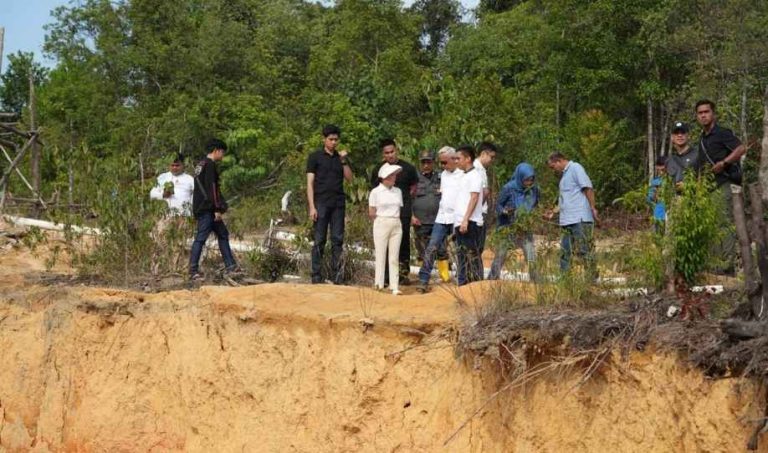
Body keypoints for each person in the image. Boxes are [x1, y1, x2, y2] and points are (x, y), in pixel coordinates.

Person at [695, 99, 747, 274]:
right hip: (709, 188)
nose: (703, 115)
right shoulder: (701, 139)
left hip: (724, 183)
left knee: (724, 224)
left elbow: (741, 148)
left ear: (713, 114)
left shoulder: (722, 133)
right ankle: (715, 267)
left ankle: (727, 267)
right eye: (700, 113)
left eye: (706, 112)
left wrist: (724, 163)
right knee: (712, 226)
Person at [306, 124, 353, 284]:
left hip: (338, 203)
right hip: (321, 203)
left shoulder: (340, 158)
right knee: (319, 239)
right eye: (330, 139)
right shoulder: (315, 157)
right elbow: (309, 183)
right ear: (324, 139)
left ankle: (337, 276)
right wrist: (312, 206)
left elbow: (349, 178)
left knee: (337, 240)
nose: (333, 142)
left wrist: (343, 160)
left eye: (336, 139)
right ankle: (316, 275)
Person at [369, 139, 418, 285]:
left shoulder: (408, 168)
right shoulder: (378, 169)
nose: (390, 155)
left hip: (402, 211)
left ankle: (402, 275)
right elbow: (374, 190)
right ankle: (384, 278)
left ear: (396, 150)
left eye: (392, 151)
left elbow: (414, 188)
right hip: (384, 214)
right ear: (383, 154)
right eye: (386, 153)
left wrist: (408, 206)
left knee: (403, 244)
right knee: (383, 246)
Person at [189, 139, 239, 280]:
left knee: (223, 234)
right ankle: (193, 270)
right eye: (222, 152)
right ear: (216, 150)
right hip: (208, 209)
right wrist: (217, 208)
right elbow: (212, 188)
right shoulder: (210, 165)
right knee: (200, 238)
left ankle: (231, 266)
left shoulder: (200, 164)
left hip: (201, 207)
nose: (222, 156)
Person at [546, 152, 598, 279]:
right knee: (565, 251)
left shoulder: (575, 168)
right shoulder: (564, 177)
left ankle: (591, 278)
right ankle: (565, 278)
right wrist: (553, 212)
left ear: (558, 161)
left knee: (584, 249)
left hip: (580, 218)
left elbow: (588, 188)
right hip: (567, 220)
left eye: (553, 167)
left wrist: (593, 208)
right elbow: (564, 199)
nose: (553, 170)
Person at [417, 146, 460, 293]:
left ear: (454, 159)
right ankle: (423, 280)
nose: (442, 166)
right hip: (441, 217)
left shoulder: (462, 175)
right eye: (441, 163)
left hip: (457, 218)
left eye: (444, 162)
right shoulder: (443, 176)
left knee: (459, 249)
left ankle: (463, 279)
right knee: (431, 248)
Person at [488, 162, 539, 282]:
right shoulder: (508, 188)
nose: (529, 183)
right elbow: (498, 206)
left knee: (530, 253)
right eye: (527, 180)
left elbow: (536, 204)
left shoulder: (534, 190)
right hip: (508, 227)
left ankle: (536, 280)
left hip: (524, 228)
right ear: (520, 177)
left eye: (531, 180)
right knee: (501, 254)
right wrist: (505, 211)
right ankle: (492, 278)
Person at [149, 153, 194, 275]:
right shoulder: (162, 178)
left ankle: (176, 270)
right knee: (160, 242)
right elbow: (152, 194)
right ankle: (157, 270)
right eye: (172, 165)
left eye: (177, 165)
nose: (174, 167)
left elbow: (194, 198)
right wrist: (162, 195)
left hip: (183, 216)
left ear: (183, 165)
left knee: (180, 244)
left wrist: (192, 214)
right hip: (165, 215)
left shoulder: (190, 179)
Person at [369, 163, 404, 295]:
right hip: (381, 221)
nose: (394, 177)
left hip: (396, 222)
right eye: (392, 175)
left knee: (394, 256)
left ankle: (394, 286)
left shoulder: (398, 191)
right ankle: (378, 284)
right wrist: (379, 222)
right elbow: (372, 211)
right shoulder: (375, 192)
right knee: (380, 254)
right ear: (385, 177)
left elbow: (398, 207)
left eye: (394, 175)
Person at [454, 145, 484, 285]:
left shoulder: (475, 175)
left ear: (468, 159)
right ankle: (462, 283)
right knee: (461, 255)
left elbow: (474, 198)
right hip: (460, 221)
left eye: (458, 158)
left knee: (472, 254)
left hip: (470, 221)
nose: (456, 161)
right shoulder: (462, 176)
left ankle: (477, 283)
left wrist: (465, 219)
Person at [411, 149, 441, 263]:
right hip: (420, 221)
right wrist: (411, 217)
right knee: (422, 250)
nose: (426, 165)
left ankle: (444, 278)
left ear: (433, 162)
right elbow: (407, 199)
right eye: (423, 162)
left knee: (441, 250)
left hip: (438, 220)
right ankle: (423, 277)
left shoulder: (441, 177)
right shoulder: (414, 178)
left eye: (428, 162)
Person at [474, 142, 498, 253]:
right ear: (483, 154)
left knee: (478, 247)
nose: (492, 160)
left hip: (479, 213)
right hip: (476, 213)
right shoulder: (476, 169)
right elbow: (479, 193)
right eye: (491, 157)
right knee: (476, 247)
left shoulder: (482, 170)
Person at [665, 121, 701, 186]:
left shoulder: (698, 155)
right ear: (672, 137)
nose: (680, 135)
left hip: (694, 195)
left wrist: (687, 186)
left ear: (688, 136)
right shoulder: (669, 160)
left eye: (683, 132)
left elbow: (706, 180)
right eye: (676, 133)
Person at [647, 155, 667, 232]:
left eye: (663, 169)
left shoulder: (673, 181)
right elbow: (650, 199)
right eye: (660, 169)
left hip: (670, 215)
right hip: (659, 215)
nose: (662, 172)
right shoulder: (655, 182)